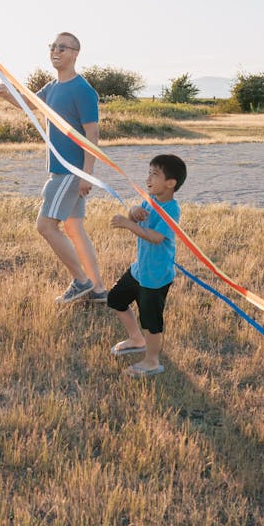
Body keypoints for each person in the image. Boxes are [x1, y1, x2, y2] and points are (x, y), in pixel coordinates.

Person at [0, 32, 104, 303]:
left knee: (45, 226)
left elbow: (92, 135)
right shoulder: (52, 87)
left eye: (63, 47)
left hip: (71, 171)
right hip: (62, 170)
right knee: (75, 228)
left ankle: (81, 281)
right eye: (53, 46)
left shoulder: (83, 90)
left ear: (75, 54)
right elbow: (29, 104)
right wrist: (7, 94)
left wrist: (86, 174)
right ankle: (99, 291)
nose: (56, 50)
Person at [106, 154, 187, 378]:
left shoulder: (172, 209)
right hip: (140, 270)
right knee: (116, 299)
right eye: (148, 172)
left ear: (170, 183)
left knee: (151, 323)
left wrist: (126, 224)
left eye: (155, 174)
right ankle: (136, 339)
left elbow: (155, 237)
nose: (148, 178)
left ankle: (152, 361)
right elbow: (136, 215)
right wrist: (133, 213)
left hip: (156, 277)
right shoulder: (149, 200)